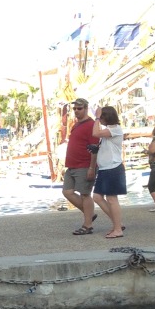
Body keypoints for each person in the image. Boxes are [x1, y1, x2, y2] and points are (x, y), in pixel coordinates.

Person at [62, 98, 100, 236]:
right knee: (67, 192)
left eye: (79, 108)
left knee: (85, 194)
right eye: (75, 109)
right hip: (71, 165)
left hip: (84, 165)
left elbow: (94, 148)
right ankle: (89, 214)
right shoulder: (76, 125)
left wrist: (91, 167)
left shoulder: (91, 125)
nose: (76, 111)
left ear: (86, 108)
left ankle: (87, 225)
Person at [92, 105, 126, 239]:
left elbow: (95, 133)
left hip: (112, 168)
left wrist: (96, 118)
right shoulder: (108, 131)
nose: (100, 119)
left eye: (102, 117)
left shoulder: (115, 129)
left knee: (112, 199)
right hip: (105, 168)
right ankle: (117, 223)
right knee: (97, 197)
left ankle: (118, 229)